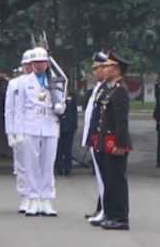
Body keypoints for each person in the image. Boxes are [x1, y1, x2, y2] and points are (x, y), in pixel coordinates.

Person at [15, 47, 66, 217]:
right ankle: (33, 198)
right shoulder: (24, 82)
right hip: (30, 126)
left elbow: (60, 101)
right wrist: (18, 131)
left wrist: (61, 107)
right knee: (31, 165)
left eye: (42, 62)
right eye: (35, 62)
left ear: (47, 63)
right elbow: (19, 109)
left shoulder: (55, 81)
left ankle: (47, 199)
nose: (39, 65)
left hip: (50, 125)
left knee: (47, 164)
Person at [97, 52, 132, 231]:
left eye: (108, 65)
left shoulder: (120, 91)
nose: (105, 68)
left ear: (117, 69)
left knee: (118, 180)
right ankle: (110, 214)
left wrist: (121, 144)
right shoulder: (111, 89)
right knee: (110, 180)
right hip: (107, 140)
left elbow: (121, 121)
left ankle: (121, 217)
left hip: (115, 142)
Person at [81, 51, 110, 225]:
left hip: (99, 138)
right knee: (100, 177)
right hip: (93, 137)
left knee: (103, 178)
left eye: (97, 68)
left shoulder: (106, 88)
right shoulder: (98, 88)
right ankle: (101, 208)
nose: (94, 72)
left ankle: (105, 210)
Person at [5, 50, 33, 214]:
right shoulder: (15, 83)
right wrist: (10, 132)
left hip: (35, 128)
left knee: (35, 165)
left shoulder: (42, 82)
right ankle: (24, 196)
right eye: (26, 64)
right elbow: (9, 110)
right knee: (21, 166)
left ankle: (35, 195)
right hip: (19, 129)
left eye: (31, 64)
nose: (29, 67)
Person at [55, 92, 78, 176]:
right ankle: (59, 167)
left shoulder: (71, 96)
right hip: (59, 125)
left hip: (69, 125)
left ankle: (68, 168)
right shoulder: (56, 94)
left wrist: (75, 124)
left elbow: (74, 111)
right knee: (59, 149)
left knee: (68, 149)